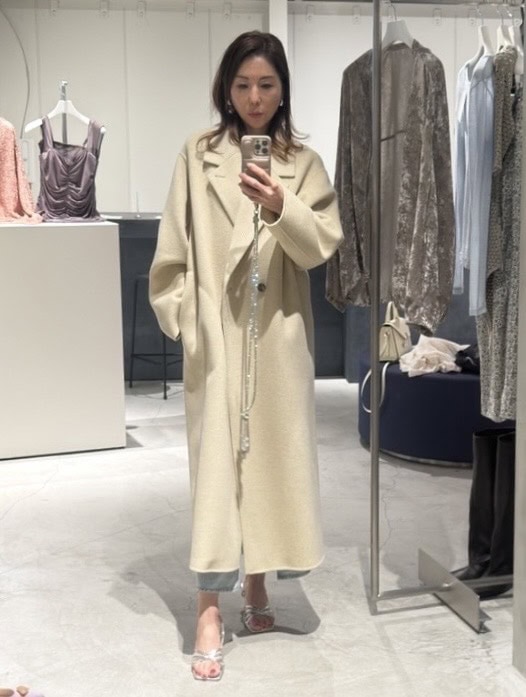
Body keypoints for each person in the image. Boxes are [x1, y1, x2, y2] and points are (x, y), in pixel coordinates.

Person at [149, 30, 343, 681]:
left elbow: (320, 247)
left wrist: (281, 204)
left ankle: (257, 583)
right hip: (217, 336)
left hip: (276, 336)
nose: (254, 97)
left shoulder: (303, 163)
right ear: (225, 89)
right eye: (242, 84)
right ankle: (208, 609)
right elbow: (172, 252)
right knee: (214, 474)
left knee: (266, 463)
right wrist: (188, 322)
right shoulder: (197, 153)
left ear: (282, 90)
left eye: (266, 84)